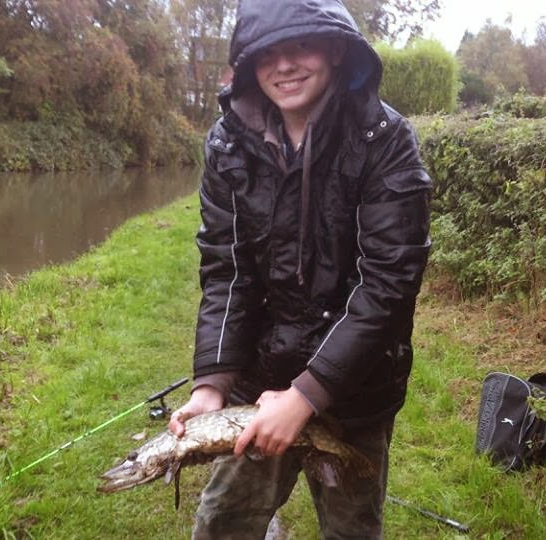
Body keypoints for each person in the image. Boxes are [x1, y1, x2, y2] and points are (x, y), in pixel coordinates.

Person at [168, 0, 431, 537]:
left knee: (351, 528)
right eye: (267, 52)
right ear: (249, 63)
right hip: (262, 374)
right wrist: (212, 385)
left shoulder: (384, 139)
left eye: (301, 45)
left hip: (356, 384)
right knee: (222, 524)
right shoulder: (226, 143)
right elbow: (227, 270)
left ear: (335, 49)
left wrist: (307, 395)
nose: (284, 64)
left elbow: (388, 285)